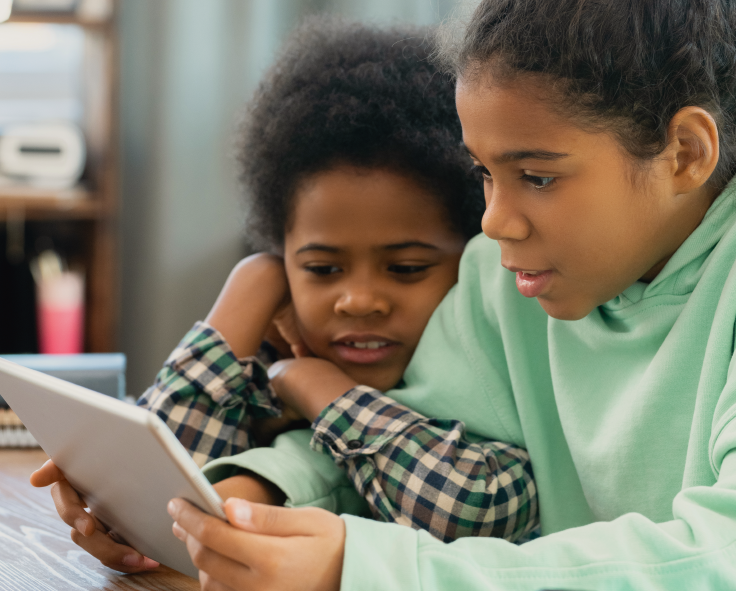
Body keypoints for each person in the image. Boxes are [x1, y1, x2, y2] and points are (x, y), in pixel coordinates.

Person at [162, 0, 736, 589]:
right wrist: (255, 494)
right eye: (485, 173)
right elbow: (399, 444)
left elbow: (722, 553)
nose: (493, 222)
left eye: (537, 177)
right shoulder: (501, 278)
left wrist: (374, 569)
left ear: (686, 153)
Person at [30, 17, 541, 576]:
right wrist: (252, 285)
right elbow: (155, 478)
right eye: (322, 268)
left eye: (406, 267)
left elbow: (483, 513)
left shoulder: (485, 366)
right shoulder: (281, 346)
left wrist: (327, 395)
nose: (359, 300)